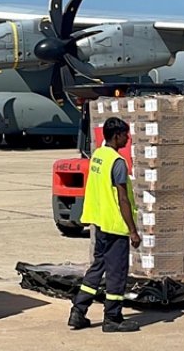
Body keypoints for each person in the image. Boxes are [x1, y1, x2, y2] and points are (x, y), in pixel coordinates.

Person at [69, 117, 142, 333]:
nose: (127, 139)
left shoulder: (98, 157)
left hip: (99, 222)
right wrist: (133, 231)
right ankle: (113, 318)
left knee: (97, 267)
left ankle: (78, 310)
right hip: (114, 225)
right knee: (116, 273)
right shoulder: (117, 162)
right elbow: (123, 199)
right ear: (117, 135)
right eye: (125, 135)